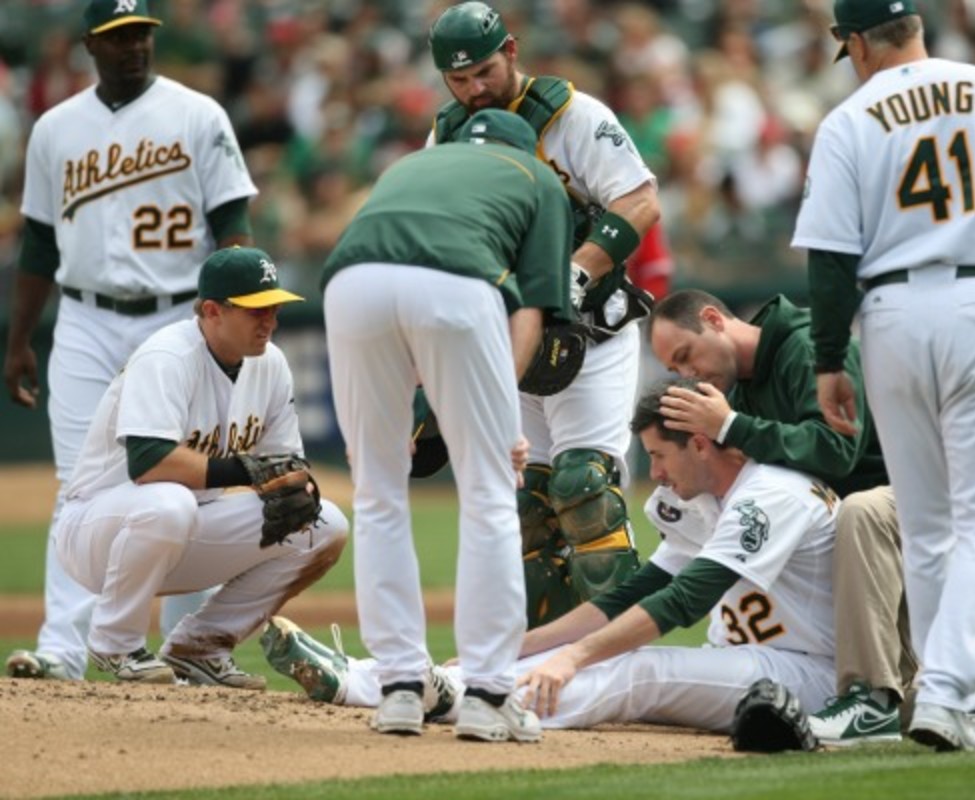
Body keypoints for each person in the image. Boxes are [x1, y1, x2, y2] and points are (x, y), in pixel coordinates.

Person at [792, 0, 975, 751]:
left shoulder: (848, 119)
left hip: (890, 313)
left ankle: (937, 692)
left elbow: (828, 260)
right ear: (916, 25)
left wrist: (830, 359)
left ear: (856, 43)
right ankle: (950, 694)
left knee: (925, 528)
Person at [266, 378, 839, 735]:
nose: (655, 474)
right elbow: (630, 594)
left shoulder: (771, 496)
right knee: (577, 655)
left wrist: (573, 657)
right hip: (749, 661)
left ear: (699, 442)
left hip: (804, 673)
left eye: (660, 456)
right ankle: (373, 677)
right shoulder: (699, 499)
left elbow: (684, 601)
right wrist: (526, 646)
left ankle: (447, 698)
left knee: (635, 671)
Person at [647, 289, 975, 746]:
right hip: (858, 528)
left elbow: (838, 452)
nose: (687, 374)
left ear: (714, 319)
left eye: (686, 356)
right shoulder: (741, 390)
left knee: (861, 513)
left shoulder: (807, 346)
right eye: (675, 369)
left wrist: (731, 427)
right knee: (883, 675)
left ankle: (866, 699)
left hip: (922, 501)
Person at [4, 0, 258, 682]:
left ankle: (190, 647)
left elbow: (233, 224)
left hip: (179, 315)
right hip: (84, 318)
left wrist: (233, 317)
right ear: (90, 43)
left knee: (195, 483)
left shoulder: (199, 115)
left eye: (142, 33)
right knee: (79, 488)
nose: (133, 46)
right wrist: (19, 339)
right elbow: (38, 241)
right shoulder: (57, 129)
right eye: (118, 37)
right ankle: (62, 649)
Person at [320, 109, 574, 742]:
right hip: (459, 287)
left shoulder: (411, 163)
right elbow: (533, 313)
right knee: (488, 491)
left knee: (378, 491)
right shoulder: (538, 178)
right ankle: (488, 694)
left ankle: (400, 688)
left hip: (352, 285)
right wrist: (497, 419)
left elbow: (396, 278)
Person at [427, 1, 662, 627]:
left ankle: (615, 651)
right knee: (526, 509)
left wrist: (575, 273)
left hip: (592, 333)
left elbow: (640, 202)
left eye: (482, 71)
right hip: (514, 341)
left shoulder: (575, 116)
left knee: (586, 491)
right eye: (459, 79)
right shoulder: (447, 134)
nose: (475, 88)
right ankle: (545, 663)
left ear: (510, 51)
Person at [51, 245, 348, 686]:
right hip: (98, 531)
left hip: (184, 527)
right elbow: (148, 463)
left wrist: (294, 483)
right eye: (255, 310)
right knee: (169, 503)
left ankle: (202, 645)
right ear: (212, 311)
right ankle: (116, 644)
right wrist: (249, 472)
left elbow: (283, 463)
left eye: (274, 307)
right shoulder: (168, 357)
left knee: (324, 526)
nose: (270, 320)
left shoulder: (271, 364)